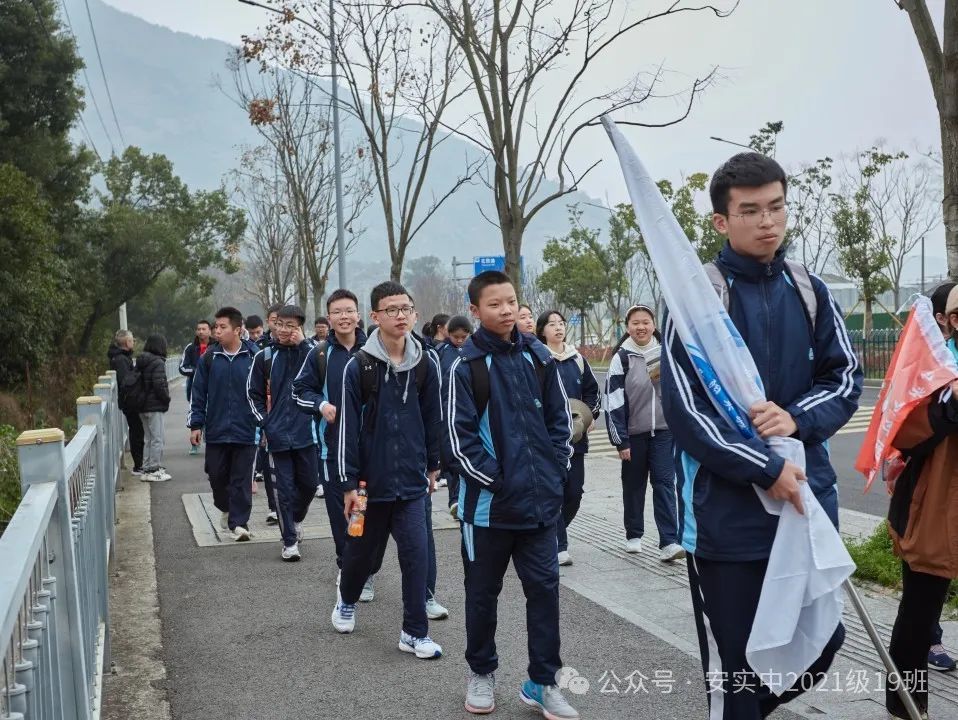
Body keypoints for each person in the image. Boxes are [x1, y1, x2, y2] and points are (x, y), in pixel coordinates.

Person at [659, 152, 862, 719]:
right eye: (750, 211)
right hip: (728, 516)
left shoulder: (809, 289)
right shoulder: (696, 300)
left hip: (806, 500)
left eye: (776, 207)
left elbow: (845, 378)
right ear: (722, 221)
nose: (768, 221)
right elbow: (687, 411)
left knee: (823, 644)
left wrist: (796, 418)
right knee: (741, 670)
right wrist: (764, 468)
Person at [446, 270, 579, 719]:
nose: (505, 311)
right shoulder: (465, 367)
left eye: (511, 302)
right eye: (494, 304)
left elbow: (562, 423)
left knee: (545, 594)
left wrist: (555, 473)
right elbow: (460, 442)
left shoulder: (539, 357)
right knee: (482, 596)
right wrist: (500, 481)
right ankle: (481, 672)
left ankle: (543, 681)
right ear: (475, 310)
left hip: (541, 510)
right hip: (487, 512)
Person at [333, 281, 444, 662]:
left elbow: (434, 418)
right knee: (359, 555)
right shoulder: (358, 366)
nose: (401, 316)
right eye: (391, 309)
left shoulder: (426, 363)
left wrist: (433, 466)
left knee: (417, 556)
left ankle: (414, 633)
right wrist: (347, 484)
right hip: (367, 486)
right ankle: (346, 600)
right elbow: (346, 427)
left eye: (406, 309)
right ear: (375, 316)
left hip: (412, 484)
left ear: (414, 314)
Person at [883, 283, 958, 718]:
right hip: (932, 511)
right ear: (946, 321)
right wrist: (950, 406)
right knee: (917, 616)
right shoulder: (931, 368)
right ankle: (908, 707)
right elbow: (902, 434)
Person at [292, 289, 368, 586]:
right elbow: (299, 391)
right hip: (331, 450)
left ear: (358, 314)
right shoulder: (320, 354)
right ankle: (347, 566)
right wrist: (321, 406)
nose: (344, 317)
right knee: (341, 516)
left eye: (349, 310)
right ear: (328, 317)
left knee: (367, 515)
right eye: (337, 312)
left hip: (371, 449)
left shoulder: (375, 349)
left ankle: (364, 568)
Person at [604, 305, 684, 562]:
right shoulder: (622, 358)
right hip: (634, 434)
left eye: (646, 322)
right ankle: (634, 535)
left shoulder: (666, 353)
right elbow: (613, 401)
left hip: (664, 432)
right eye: (635, 323)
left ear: (653, 324)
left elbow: (677, 392)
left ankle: (669, 542)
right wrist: (621, 440)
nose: (641, 327)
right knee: (634, 486)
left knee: (664, 485)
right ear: (627, 327)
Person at [247, 305, 318, 562]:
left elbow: (323, 378)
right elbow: (252, 395)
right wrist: (265, 423)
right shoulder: (264, 357)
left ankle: (295, 519)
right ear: (273, 325)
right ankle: (289, 540)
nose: (284, 330)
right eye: (280, 324)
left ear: (299, 327)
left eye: (291, 325)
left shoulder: (312, 353)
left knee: (310, 484)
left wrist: (305, 345)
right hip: (275, 436)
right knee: (282, 489)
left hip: (306, 433)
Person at [189, 307, 260, 541]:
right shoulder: (210, 357)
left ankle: (239, 523)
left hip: (247, 430)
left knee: (241, 479)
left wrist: (264, 423)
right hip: (217, 429)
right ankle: (226, 507)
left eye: (222, 327)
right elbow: (198, 393)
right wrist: (196, 425)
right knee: (216, 475)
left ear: (238, 330)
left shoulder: (255, 357)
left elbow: (265, 392)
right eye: (215, 327)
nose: (216, 331)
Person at [536, 309, 600, 567]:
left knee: (574, 492)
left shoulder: (577, 359)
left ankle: (554, 530)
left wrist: (588, 416)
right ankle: (559, 545)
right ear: (542, 331)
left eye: (561, 323)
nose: (558, 327)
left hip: (576, 438)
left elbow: (592, 392)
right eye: (552, 324)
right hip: (549, 440)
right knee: (556, 491)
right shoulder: (538, 360)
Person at [436, 315, 473, 517]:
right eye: (456, 336)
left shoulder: (473, 351)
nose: (460, 340)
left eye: (463, 337)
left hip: (467, 412)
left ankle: (465, 497)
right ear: (448, 334)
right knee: (450, 457)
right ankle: (455, 498)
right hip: (445, 412)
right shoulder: (440, 352)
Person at [109, 330, 146, 476]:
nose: (134, 342)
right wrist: (139, 373)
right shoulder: (121, 360)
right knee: (137, 431)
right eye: (132, 340)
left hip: (128, 400)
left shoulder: (122, 358)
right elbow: (126, 381)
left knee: (137, 430)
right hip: (130, 401)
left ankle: (140, 463)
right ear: (126, 343)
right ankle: (138, 465)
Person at [138, 335, 172, 482]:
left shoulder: (141, 360)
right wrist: (166, 398)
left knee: (148, 439)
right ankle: (155, 469)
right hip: (154, 405)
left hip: (141, 405)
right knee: (158, 438)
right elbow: (159, 385)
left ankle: (146, 469)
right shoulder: (158, 362)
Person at [179, 320, 212, 455]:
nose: (201, 332)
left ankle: (210, 442)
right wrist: (197, 371)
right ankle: (194, 443)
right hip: (195, 388)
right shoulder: (190, 348)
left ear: (210, 331)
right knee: (196, 412)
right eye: (199, 329)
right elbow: (182, 367)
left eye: (204, 329)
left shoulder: (216, 346)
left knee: (212, 414)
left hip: (214, 387)